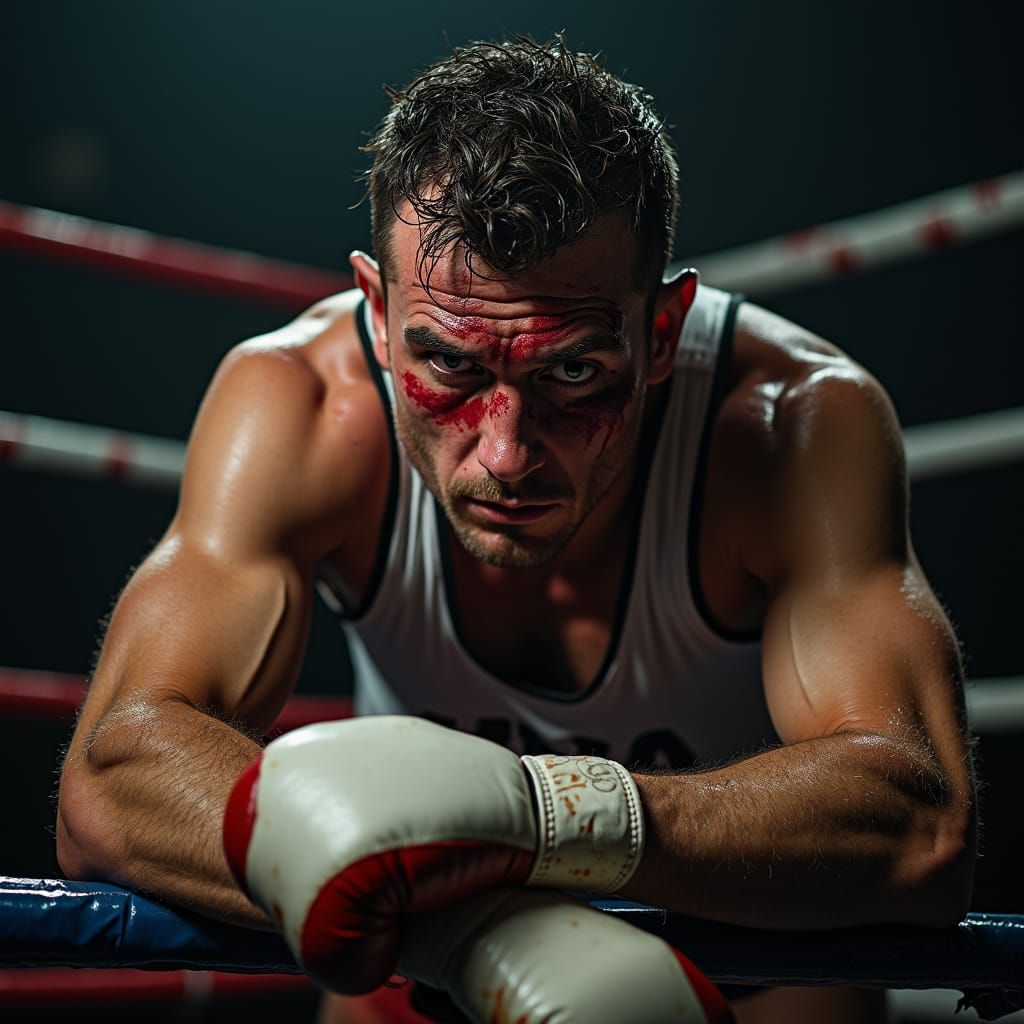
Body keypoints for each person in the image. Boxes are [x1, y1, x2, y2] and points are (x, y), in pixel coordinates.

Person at [56, 35, 976, 1024]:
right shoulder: (302, 402)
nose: (505, 452)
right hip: (416, 965)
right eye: (449, 367)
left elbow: (918, 821)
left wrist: (540, 819)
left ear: (659, 332)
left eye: (572, 373)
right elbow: (114, 773)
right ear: (374, 311)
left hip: (752, 966)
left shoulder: (787, 421)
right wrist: (469, 925)